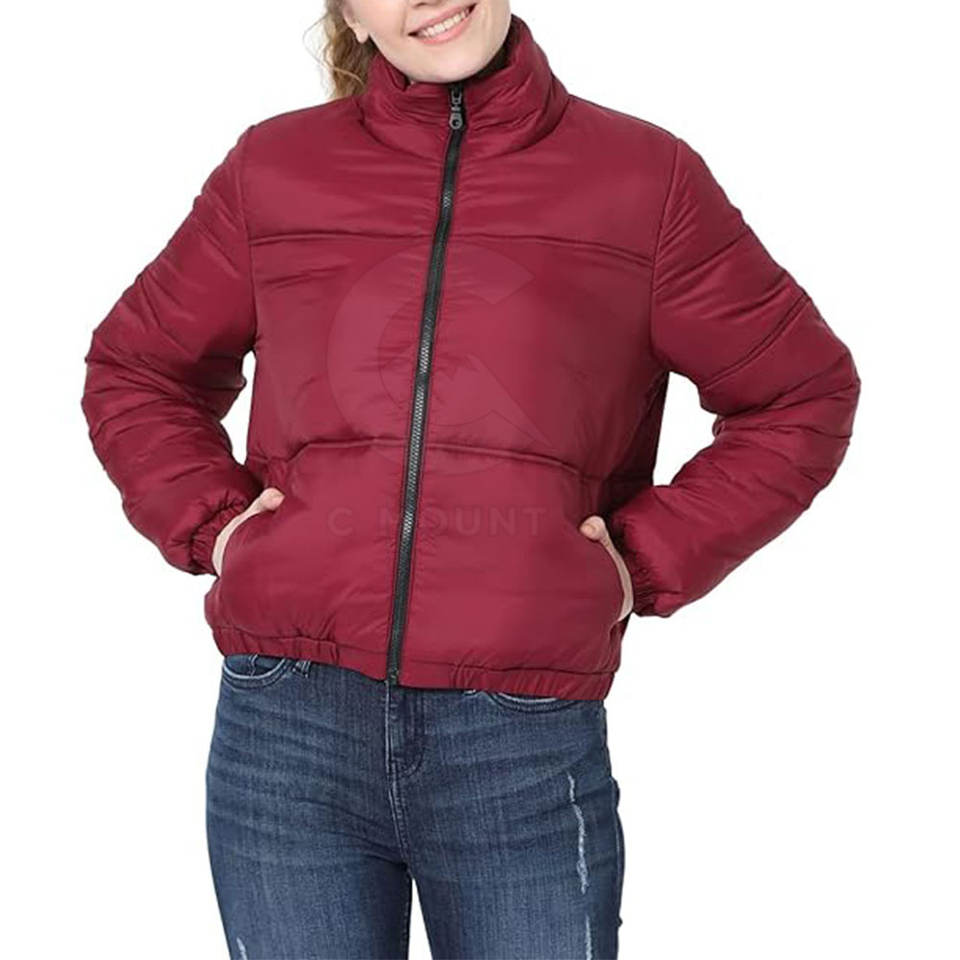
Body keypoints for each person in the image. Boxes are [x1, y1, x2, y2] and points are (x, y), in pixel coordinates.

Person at [79, 2, 861, 957]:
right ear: (349, 12)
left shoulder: (644, 180)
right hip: (287, 728)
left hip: (518, 738)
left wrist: (640, 561)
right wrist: (218, 526)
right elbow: (138, 369)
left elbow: (801, 392)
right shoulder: (273, 169)